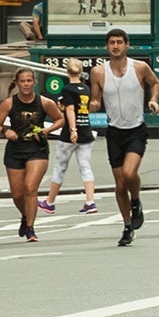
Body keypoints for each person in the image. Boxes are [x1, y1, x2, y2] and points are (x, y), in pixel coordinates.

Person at [90, 28, 159, 243]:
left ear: (127, 45)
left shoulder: (139, 68)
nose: (116, 46)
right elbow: (95, 100)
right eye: (111, 42)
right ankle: (127, 225)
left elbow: (155, 83)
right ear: (107, 46)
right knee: (120, 185)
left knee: (130, 174)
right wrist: (90, 106)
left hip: (136, 129)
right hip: (114, 132)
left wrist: (153, 99)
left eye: (120, 42)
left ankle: (136, 200)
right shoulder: (98, 72)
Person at [0, 69, 58, 242]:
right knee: (17, 194)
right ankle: (25, 216)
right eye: (22, 81)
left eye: (29, 81)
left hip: (37, 148)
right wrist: (5, 130)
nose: (26, 84)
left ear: (34, 83)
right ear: (16, 83)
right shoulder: (9, 103)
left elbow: (60, 119)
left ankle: (30, 228)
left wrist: (48, 130)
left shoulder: (44, 102)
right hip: (15, 150)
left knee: (30, 187)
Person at [40, 63, 101, 217]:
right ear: (81, 71)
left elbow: (70, 110)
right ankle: (90, 201)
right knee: (85, 166)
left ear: (67, 72)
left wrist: (73, 130)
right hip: (86, 130)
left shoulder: (67, 89)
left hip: (70, 134)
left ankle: (50, 201)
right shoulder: (85, 89)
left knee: (60, 167)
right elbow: (81, 107)